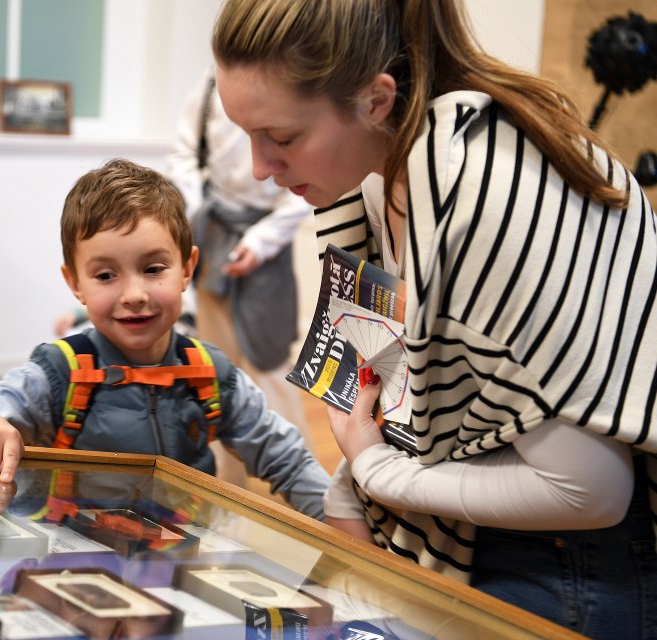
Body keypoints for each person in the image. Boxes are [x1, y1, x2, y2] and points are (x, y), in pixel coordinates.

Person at [211, 0, 657, 636]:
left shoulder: (485, 199)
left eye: (281, 139)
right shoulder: (378, 182)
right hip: (463, 531)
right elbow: (376, 396)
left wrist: (379, 474)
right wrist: (352, 498)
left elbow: (591, 491)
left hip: (566, 565)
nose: (260, 168)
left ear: (376, 99)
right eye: (247, 136)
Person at [0, 158, 329, 520]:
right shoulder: (57, 373)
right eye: (105, 275)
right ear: (75, 283)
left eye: (153, 269)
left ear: (188, 269)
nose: (134, 295)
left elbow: (288, 458)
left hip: (179, 570)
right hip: (71, 573)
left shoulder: (212, 374)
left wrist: (342, 526)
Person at [165, 66, 316, 486]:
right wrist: (193, 207)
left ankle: (301, 489)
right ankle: (225, 489)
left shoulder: (294, 91)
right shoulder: (210, 86)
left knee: (269, 366)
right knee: (215, 366)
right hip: (212, 231)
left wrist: (261, 242)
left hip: (267, 243)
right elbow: (184, 153)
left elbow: (303, 188)